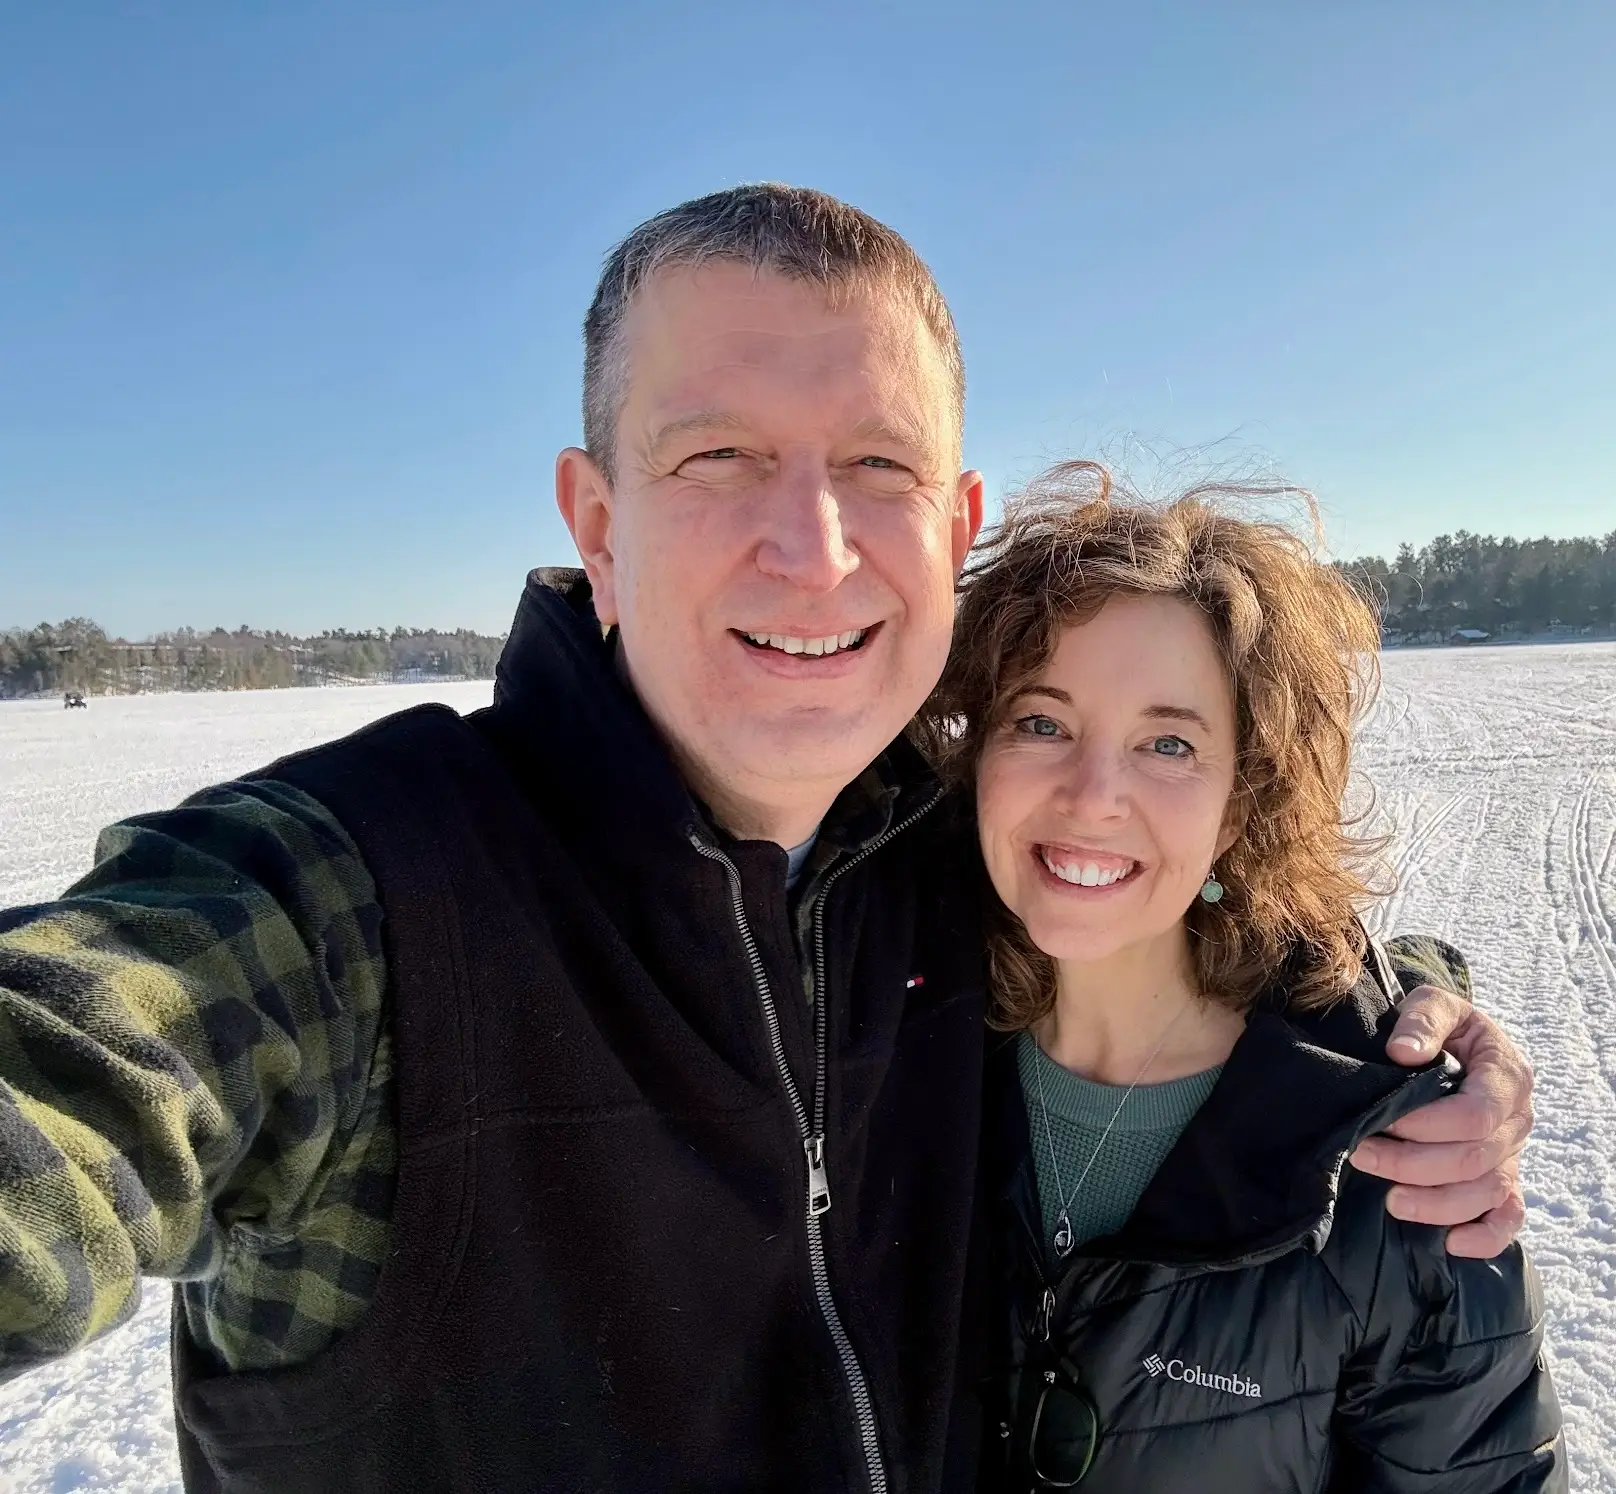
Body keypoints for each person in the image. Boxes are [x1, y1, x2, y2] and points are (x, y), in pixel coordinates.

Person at [0, 186, 1535, 1493]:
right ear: (595, 522)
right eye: (718, 457)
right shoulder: (359, 899)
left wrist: (1405, 1021)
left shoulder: (950, 874)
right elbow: (80, 1067)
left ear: (951, 527)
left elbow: (1185, 919)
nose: (814, 549)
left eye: (878, 467)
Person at [917, 465, 1562, 1491]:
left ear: (1241, 796)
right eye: (1041, 721)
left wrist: (1409, 1018)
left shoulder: (1396, 1169)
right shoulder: (895, 1060)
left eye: (1168, 742)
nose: (1093, 795)